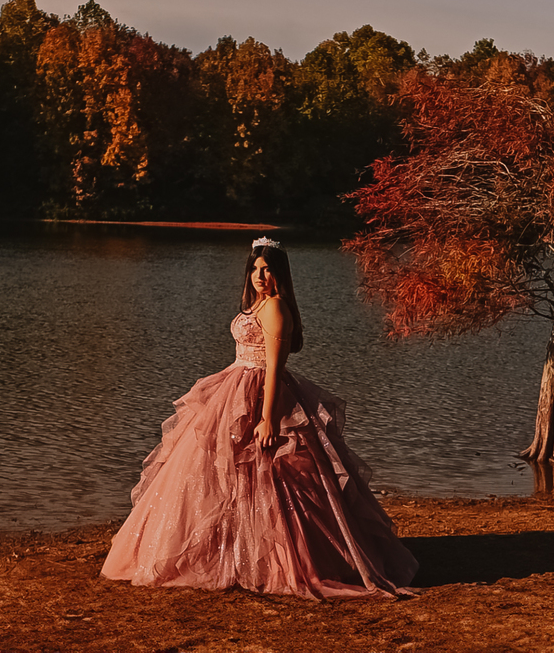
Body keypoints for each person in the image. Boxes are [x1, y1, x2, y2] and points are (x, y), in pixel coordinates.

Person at [101, 237, 418, 599]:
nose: (259, 275)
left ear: (279, 272)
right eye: (254, 268)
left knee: (270, 476)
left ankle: (279, 559)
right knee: (219, 475)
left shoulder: (276, 307)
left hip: (260, 394)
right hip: (232, 386)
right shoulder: (259, 304)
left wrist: (267, 418)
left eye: (267, 269)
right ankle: (227, 551)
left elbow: (273, 367)